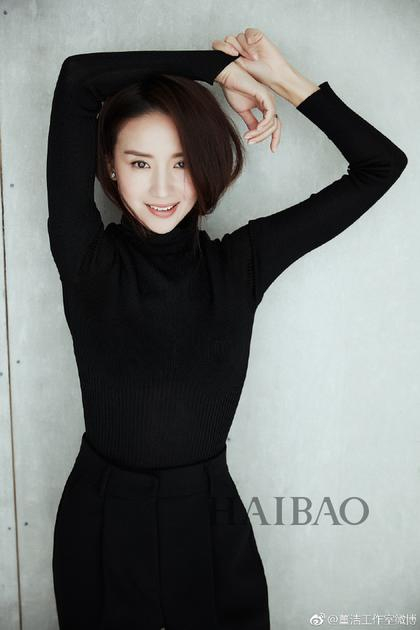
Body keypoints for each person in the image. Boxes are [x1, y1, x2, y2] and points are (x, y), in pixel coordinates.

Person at [46, 27, 407, 630]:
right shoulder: (87, 259)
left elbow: (381, 165)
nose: (163, 188)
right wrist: (218, 70)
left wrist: (281, 79)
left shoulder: (241, 264)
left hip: (208, 515)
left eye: (183, 162)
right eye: (140, 163)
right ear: (109, 166)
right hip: (101, 515)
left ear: (208, 163)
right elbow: (79, 78)